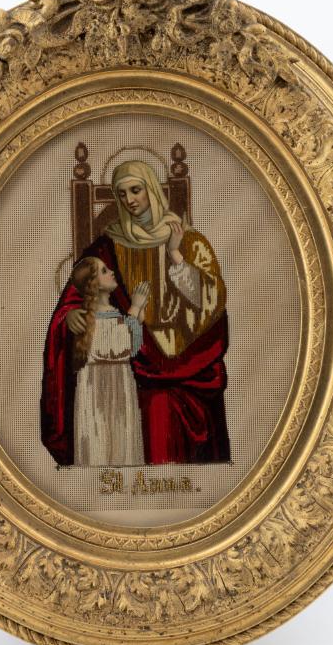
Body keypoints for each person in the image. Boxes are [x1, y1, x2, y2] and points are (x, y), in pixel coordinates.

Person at [41, 159, 231, 466]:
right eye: (122, 193)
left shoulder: (189, 240)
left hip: (189, 359)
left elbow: (212, 302)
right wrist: (70, 315)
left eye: (135, 190)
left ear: (151, 189)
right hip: (134, 365)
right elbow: (77, 292)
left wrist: (175, 253)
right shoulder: (108, 246)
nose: (129, 200)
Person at [69, 256, 149, 467]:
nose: (111, 272)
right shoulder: (92, 316)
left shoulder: (112, 312)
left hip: (120, 384)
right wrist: (135, 308)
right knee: (101, 441)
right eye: (104, 271)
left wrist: (138, 311)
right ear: (93, 284)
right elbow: (122, 347)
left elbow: (132, 346)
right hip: (100, 389)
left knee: (122, 441)